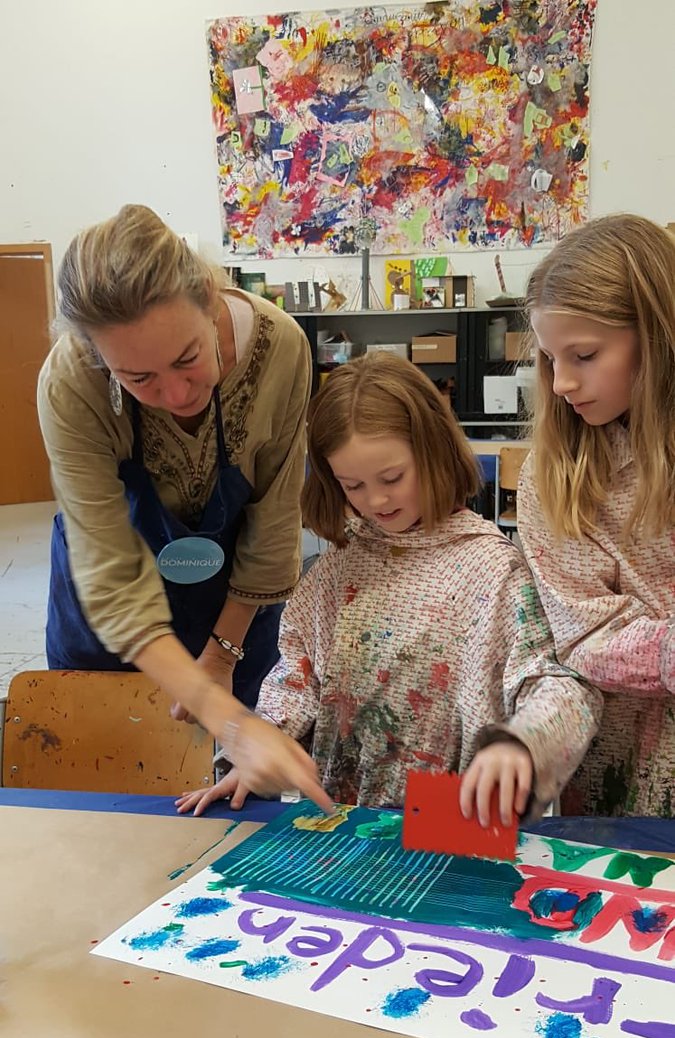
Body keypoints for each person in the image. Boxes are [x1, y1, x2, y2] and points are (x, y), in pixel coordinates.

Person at [177, 353, 601, 822]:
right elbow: (297, 678)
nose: (375, 500)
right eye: (352, 485)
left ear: (433, 450)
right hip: (342, 823)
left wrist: (524, 745)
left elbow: (561, 688)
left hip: (453, 825)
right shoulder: (335, 571)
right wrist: (258, 749)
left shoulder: (494, 570)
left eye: (393, 478)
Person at [37, 204, 331, 810]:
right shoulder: (72, 381)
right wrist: (223, 715)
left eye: (187, 359)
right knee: (101, 799)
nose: (173, 395)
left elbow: (274, 520)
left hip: (233, 606)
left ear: (207, 293)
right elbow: (111, 576)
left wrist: (222, 660)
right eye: (137, 378)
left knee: (228, 817)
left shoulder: (281, 349)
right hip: (112, 626)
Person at [517, 214, 675, 817]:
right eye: (550, 358)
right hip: (617, 783)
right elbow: (583, 640)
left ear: (657, 336)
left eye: (583, 355)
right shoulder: (553, 474)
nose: (560, 383)